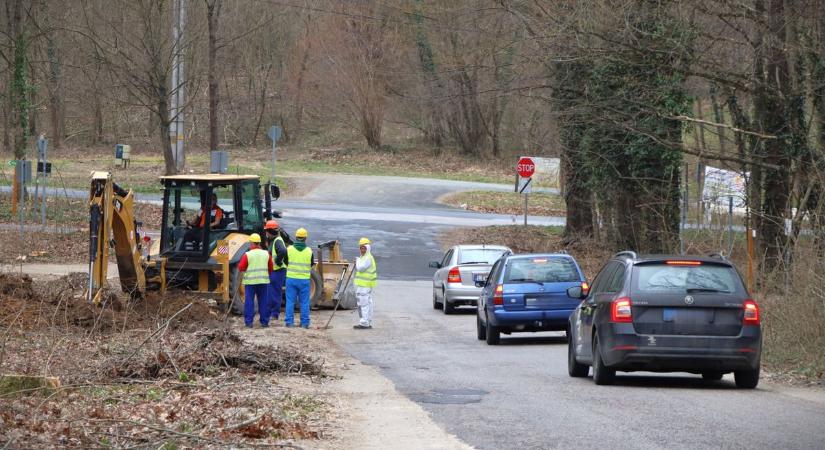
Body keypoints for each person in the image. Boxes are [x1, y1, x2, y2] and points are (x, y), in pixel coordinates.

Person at [238, 233, 273, 328]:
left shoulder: (247, 255)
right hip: (263, 282)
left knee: (249, 302)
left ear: (252, 243)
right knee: (263, 302)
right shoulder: (266, 254)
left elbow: (241, 267)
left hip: (250, 283)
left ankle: (249, 323)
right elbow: (271, 267)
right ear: (259, 243)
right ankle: (264, 322)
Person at [285, 227, 314, 328]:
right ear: (305, 238)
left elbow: (285, 262)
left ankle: (289, 322)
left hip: (291, 279)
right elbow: (311, 264)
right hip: (304, 280)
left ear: (296, 237)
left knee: (290, 301)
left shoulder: (289, 249)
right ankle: (305, 323)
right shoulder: (309, 251)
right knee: (304, 302)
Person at [264, 219, 287, 321]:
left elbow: (283, 251)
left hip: (277, 271)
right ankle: (273, 313)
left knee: (274, 292)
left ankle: (274, 314)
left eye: (267, 231)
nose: (266, 233)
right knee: (273, 292)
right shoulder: (274, 240)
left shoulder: (277, 241)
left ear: (270, 231)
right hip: (275, 270)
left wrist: (278, 261)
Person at [353, 237, 377, 329]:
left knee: (364, 303)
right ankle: (367, 320)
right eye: (361, 248)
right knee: (367, 302)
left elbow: (360, 268)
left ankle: (364, 322)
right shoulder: (363, 257)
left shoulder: (367, 258)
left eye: (364, 248)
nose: (362, 250)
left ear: (368, 248)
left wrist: (357, 261)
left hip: (365, 285)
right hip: (364, 284)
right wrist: (358, 260)